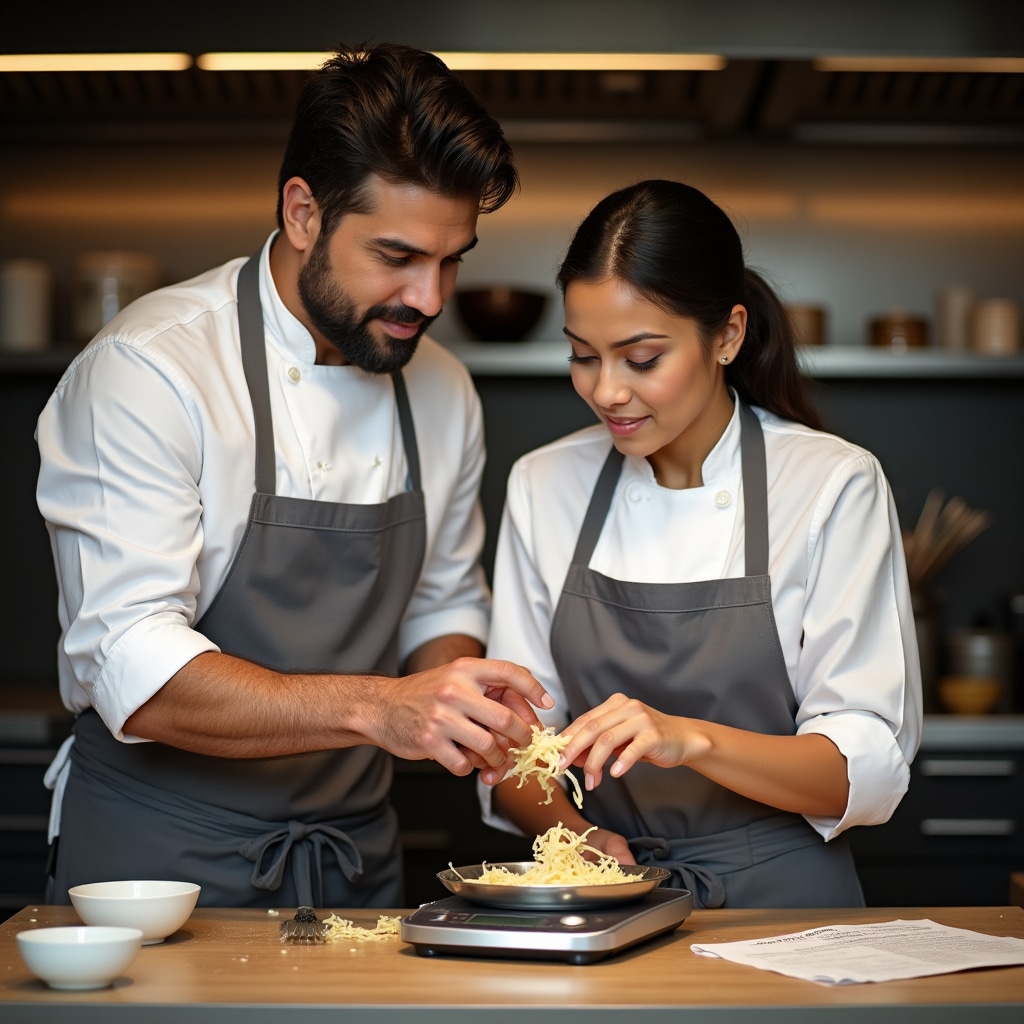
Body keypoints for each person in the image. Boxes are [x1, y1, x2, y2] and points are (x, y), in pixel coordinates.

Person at [35, 42, 553, 910]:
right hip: (152, 871)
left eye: (452, 259)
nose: (429, 298)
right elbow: (134, 665)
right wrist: (381, 708)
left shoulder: (442, 387)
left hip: (352, 865)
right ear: (303, 211)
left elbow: (440, 604)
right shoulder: (150, 369)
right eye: (396, 255)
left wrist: (462, 700)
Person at [481, 179, 922, 909]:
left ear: (727, 334)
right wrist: (576, 836)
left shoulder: (832, 484)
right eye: (583, 355)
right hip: (608, 904)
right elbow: (514, 746)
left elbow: (864, 770)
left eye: (642, 358)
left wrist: (689, 739)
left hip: (787, 908)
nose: (607, 391)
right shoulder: (544, 484)